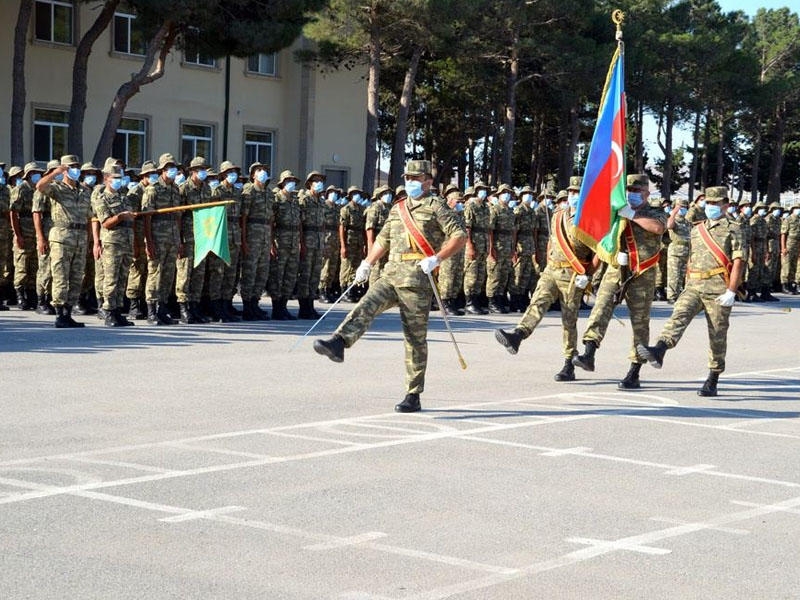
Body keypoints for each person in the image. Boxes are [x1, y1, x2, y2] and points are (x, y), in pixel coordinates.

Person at [313, 160, 466, 413]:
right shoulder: (398, 209)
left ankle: (413, 393)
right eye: (408, 178)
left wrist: (437, 258)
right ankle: (339, 342)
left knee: (414, 339)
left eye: (416, 178)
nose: (411, 182)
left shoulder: (436, 207)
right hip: (391, 274)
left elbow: (459, 235)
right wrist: (367, 263)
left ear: (428, 180)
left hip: (418, 279)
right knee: (367, 304)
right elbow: (383, 240)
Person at [636, 186, 743, 397]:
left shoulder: (734, 229)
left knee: (717, 335)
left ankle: (713, 376)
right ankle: (659, 349)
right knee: (678, 316)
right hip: (694, 285)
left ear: (725, 205)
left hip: (718, 288)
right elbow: (691, 256)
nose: (711, 206)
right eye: (708, 203)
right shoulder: (697, 228)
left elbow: (739, 260)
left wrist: (732, 290)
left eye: (716, 203)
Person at [572, 174, 667, 390]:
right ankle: (589, 353)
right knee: (601, 307)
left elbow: (658, 228)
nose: (632, 194)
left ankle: (634, 371)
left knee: (639, 323)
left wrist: (631, 215)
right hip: (617, 268)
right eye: (629, 190)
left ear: (646, 193)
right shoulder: (617, 212)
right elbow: (603, 238)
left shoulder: (654, 212)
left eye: (637, 191)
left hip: (642, 273)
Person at [495, 187, 594, 381]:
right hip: (552, 268)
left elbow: (599, 252)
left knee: (568, 319)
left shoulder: (590, 220)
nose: (572, 197)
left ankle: (569, 362)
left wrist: (589, 274)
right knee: (538, 301)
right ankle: (518, 335)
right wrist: (548, 259)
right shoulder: (557, 216)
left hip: (573, 272)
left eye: (577, 193)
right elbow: (552, 240)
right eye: (570, 193)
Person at [35, 155, 93, 327]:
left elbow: (90, 218)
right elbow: (40, 186)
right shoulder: (57, 188)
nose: (75, 169)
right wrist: (55, 173)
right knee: (60, 276)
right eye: (71, 166)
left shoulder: (84, 191)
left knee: (76, 277)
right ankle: (60, 314)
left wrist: (89, 240)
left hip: (80, 237)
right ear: (64, 169)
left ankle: (68, 311)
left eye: (77, 166)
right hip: (61, 237)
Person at [91, 164, 136, 326]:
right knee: (110, 278)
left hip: (126, 242)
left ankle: (118, 311)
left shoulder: (124, 198)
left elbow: (132, 218)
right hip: (112, 243)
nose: (118, 181)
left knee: (122, 278)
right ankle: (109, 311)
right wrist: (120, 217)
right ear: (106, 179)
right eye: (115, 178)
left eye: (120, 178)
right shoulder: (102, 199)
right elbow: (106, 223)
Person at [142, 153, 182, 325]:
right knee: (155, 273)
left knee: (168, 275)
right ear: (162, 170)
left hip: (172, 238)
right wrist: (148, 241)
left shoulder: (175, 190)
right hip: (157, 237)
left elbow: (178, 217)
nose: (172, 171)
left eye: (174, 168)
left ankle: (162, 308)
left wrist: (179, 240)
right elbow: (146, 217)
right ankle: (151, 311)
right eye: (169, 168)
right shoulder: (153, 189)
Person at [239, 161, 274, 320]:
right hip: (252, 235)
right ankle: (247, 306)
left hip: (265, 236)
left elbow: (271, 219)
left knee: (262, 272)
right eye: (259, 170)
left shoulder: (269, 193)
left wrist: (272, 241)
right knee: (250, 271)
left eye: (265, 169)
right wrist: (244, 240)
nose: (262, 172)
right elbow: (244, 218)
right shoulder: (249, 190)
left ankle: (255, 303)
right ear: (253, 174)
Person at [268, 170, 302, 320]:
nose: (291, 183)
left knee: (290, 275)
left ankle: (284, 306)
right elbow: (270, 223)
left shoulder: (295, 200)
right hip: (280, 241)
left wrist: (300, 242)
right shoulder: (277, 200)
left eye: (293, 181)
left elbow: (299, 222)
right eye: (288, 181)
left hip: (294, 242)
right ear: (282, 183)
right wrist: (271, 244)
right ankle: (277, 309)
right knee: (278, 276)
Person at [9, 161, 43, 309]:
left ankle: (31, 295)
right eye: (35, 173)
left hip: (36, 234)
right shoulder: (21, 189)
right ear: (29, 175)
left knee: (34, 266)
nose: (38, 175)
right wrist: (18, 235)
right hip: (24, 231)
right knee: (22, 266)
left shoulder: (38, 189)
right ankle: (20, 296)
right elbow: (13, 213)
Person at [296, 170, 327, 319]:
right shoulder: (304, 200)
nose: (319, 183)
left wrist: (324, 242)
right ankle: (303, 308)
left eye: (321, 180)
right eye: (316, 180)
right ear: (309, 184)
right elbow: (300, 224)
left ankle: (311, 306)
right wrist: (301, 242)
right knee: (306, 274)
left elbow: (323, 224)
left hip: (319, 240)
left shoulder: (321, 201)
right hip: (308, 239)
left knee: (315, 275)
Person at [32, 159, 59, 315]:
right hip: (46, 232)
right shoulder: (42, 190)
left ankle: (51, 298)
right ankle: (41, 301)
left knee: (56, 269)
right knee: (45, 268)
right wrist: (40, 237)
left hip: (59, 233)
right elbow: (37, 214)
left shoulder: (60, 189)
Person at [486, 183, 517, 313]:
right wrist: (491, 249)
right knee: (495, 275)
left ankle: (499, 299)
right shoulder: (495, 210)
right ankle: (492, 301)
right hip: (497, 246)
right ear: (498, 195)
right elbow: (490, 231)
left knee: (504, 275)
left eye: (508, 193)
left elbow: (513, 231)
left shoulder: (510, 211)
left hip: (507, 246)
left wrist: (512, 248)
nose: (506, 195)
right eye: (504, 192)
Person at [463, 180, 490, 315]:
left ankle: (476, 301)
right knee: (472, 275)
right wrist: (469, 245)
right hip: (474, 244)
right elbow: (467, 228)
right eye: (480, 189)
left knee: (480, 275)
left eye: (485, 190)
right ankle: (469, 303)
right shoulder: (470, 206)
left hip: (483, 245)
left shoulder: (485, 207)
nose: (483, 192)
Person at [438, 184, 466, 315]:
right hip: (448, 247)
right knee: (447, 275)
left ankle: (453, 301)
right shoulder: (445, 214)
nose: (460, 204)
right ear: (449, 201)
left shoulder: (460, 215)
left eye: (461, 202)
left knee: (457, 274)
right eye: (458, 201)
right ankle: (444, 302)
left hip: (459, 249)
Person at [666, 197, 691, 303]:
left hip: (686, 250)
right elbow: (669, 226)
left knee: (682, 275)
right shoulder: (673, 219)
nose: (683, 209)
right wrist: (674, 212)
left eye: (685, 207)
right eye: (681, 207)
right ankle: (671, 296)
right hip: (675, 251)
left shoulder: (687, 222)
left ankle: (679, 293)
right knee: (673, 274)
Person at [780, 202, 800, 294]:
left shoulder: (799, 220)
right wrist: (783, 247)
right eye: (797, 208)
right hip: (789, 244)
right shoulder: (788, 219)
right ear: (793, 209)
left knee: (793, 266)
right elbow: (783, 234)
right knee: (786, 266)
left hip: (797, 245)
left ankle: (791, 284)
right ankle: (784, 285)